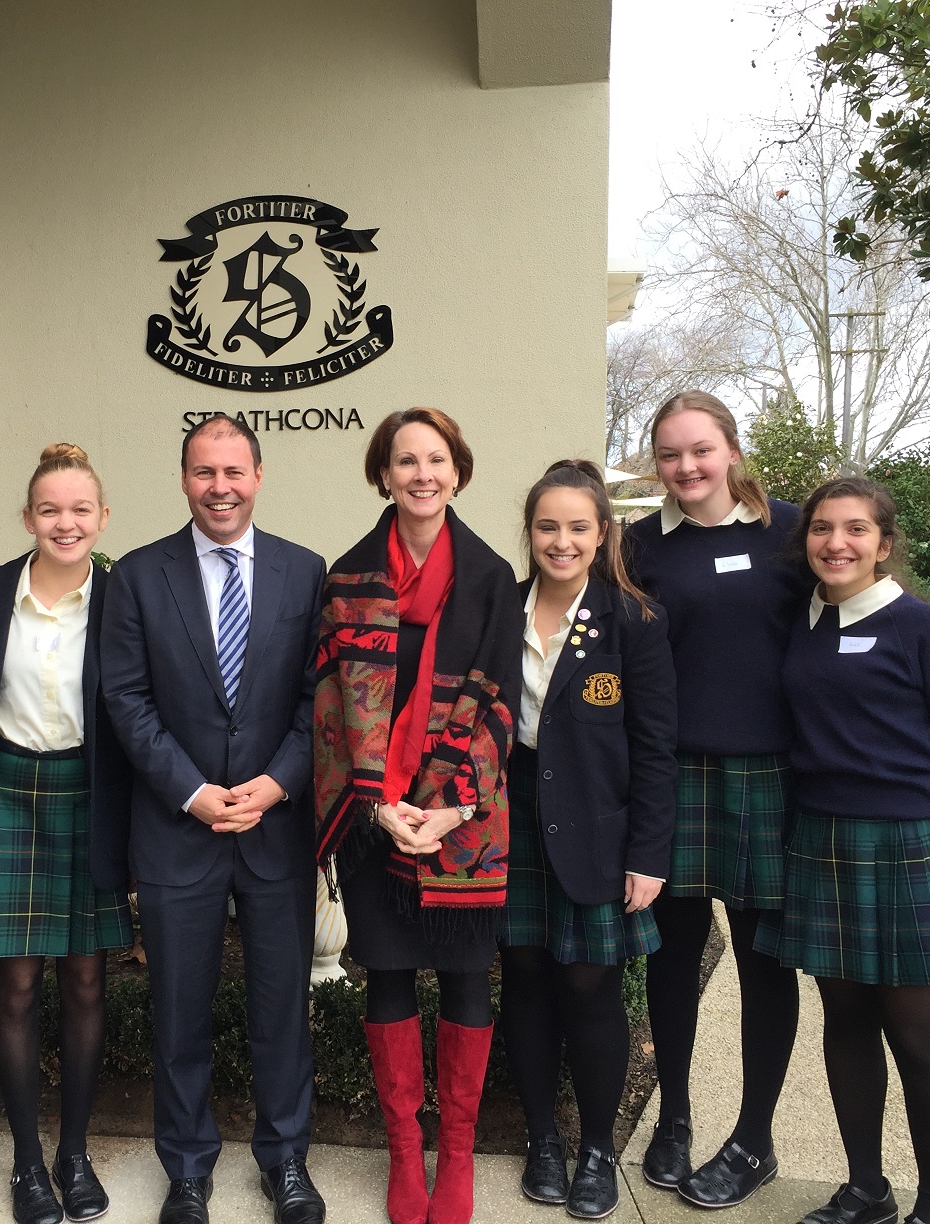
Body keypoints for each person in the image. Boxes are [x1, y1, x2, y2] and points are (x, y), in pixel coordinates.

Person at [760, 477, 930, 1224]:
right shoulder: (804, 621)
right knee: (845, 1025)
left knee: (920, 1038)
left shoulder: (927, 630)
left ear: (884, 544)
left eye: (856, 530)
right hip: (823, 842)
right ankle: (866, 1190)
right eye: (822, 529)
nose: (836, 542)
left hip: (914, 845)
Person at [100, 414, 328, 1224]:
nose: (220, 487)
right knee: (177, 1015)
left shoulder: (307, 573)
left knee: (280, 1012)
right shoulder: (136, 575)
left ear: (259, 476)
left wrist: (275, 784)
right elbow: (125, 699)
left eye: (234, 471)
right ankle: (188, 1169)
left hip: (275, 831)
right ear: (184, 479)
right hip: (177, 828)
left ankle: (286, 1163)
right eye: (204, 472)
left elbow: (319, 699)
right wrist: (193, 792)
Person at [313, 407, 522, 1224]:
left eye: (436, 460)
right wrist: (376, 805)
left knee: (469, 977)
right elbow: (331, 705)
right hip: (377, 816)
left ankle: (458, 1154)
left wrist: (449, 809)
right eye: (405, 461)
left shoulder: (492, 578)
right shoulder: (349, 574)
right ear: (383, 475)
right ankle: (407, 1150)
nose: (421, 474)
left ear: (458, 473)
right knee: (391, 974)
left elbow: (502, 702)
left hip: (463, 822)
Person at [623, 391, 813, 1208]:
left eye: (700, 450)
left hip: (771, 777)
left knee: (767, 964)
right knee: (671, 956)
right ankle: (674, 1120)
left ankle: (755, 1138)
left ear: (732, 450)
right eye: (670, 455)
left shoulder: (794, 533)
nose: (686, 467)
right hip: (673, 772)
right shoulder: (637, 546)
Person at [0, 443, 134, 1224]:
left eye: (80, 509)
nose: (66, 522)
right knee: (18, 984)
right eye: (50, 509)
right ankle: (28, 1163)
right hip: (6, 790)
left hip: (88, 794)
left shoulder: (128, 595)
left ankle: (75, 1153)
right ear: (29, 518)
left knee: (88, 981)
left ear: (102, 517)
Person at [500, 460, 677, 1220]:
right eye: (547, 527)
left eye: (578, 527)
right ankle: (542, 1139)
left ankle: (597, 1149)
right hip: (509, 834)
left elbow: (656, 745)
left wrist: (648, 853)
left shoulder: (633, 619)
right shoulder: (498, 613)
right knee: (528, 984)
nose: (561, 541)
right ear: (530, 533)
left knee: (591, 991)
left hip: (599, 838)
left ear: (602, 533)